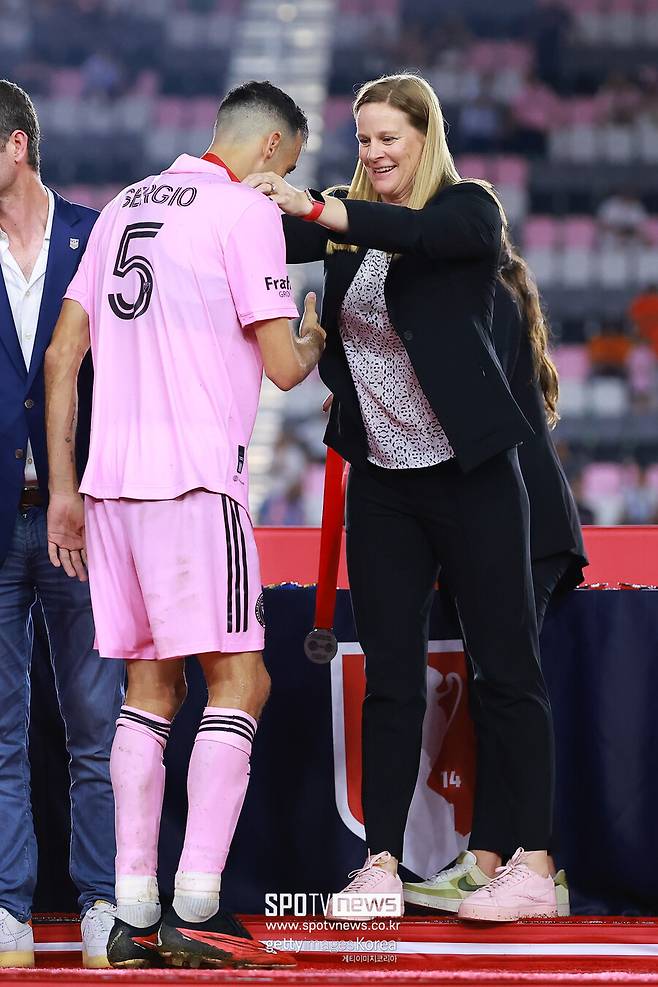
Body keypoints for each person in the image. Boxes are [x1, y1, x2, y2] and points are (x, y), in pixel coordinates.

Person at [246, 73, 558, 922]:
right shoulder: (344, 228)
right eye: (364, 139)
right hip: (384, 484)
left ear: (425, 137)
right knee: (389, 678)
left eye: (390, 137)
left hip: (473, 479)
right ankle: (380, 862)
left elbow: (411, 234)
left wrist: (318, 208)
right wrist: (220, 193)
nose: (375, 152)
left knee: (507, 669)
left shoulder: (468, 211)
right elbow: (259, 232)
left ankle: (533, 864)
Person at [44, 80, 324, 968]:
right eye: (292, 161)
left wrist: (64, 486)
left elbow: (63, 353)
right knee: (242, 682)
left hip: (109, 487)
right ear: (273, 147)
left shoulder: (123, 205)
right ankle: (198, 902)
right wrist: (313, 340)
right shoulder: (246, 212)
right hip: (197, 482)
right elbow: (282, 367)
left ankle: (131, 912)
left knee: (148, 690)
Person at [403, 235, 588, 914]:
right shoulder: (498, 296)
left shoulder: (486, 300)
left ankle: (527, 865)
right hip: (514, 521)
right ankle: (487, 860)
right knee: (495, 688)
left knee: (506, 686)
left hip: (525, 522)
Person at [0, 79, 124, 969]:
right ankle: (6, 906)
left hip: (79, 518)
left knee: (96, 724)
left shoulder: (98, 236)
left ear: (16, 145)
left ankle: (102, 899)